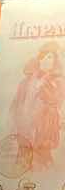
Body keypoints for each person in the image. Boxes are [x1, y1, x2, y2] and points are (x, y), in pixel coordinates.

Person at [10, 41, 63, 172]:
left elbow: (57, 102)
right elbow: (16, 104)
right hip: (24, 132)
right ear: (39, 59)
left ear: (55, 62)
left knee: (43, 165)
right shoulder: (26, 81)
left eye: (50, 57)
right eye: (44, 56)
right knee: (22, 166)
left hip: (43, 133)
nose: (46, 60)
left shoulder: (57, 83)